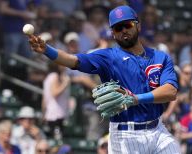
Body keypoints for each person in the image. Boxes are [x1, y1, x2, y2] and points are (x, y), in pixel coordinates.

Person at [28, 5, 181, 154]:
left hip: (158, 130)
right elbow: (72, 60)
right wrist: (47, 50)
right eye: (117, 28)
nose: (123, 31)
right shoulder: (107, 57)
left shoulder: (160, 57)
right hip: (125, 135)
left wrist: (135, 98)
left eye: (127, 25)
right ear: (113, 34)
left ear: (138, 26)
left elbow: (171, 91)